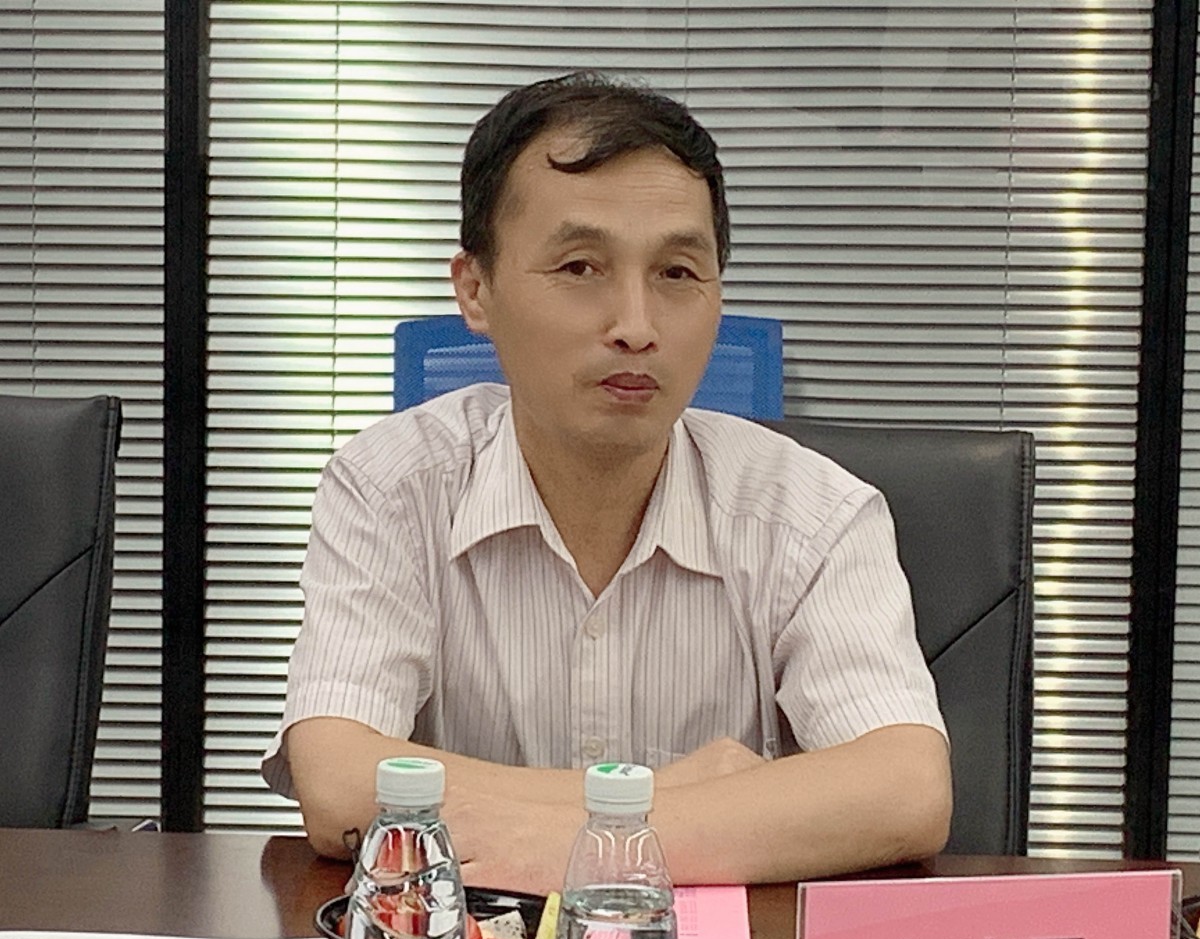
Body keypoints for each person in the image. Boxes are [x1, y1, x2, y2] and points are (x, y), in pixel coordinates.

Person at [262, 71, 951, 895]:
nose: (635, 326)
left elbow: (906, 790)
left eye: (677, 274)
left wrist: (564, 838)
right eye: (581, 266)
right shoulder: (391, 486)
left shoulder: (813, 513)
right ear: (475, 290)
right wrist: (668, 799)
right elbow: (338, 780)